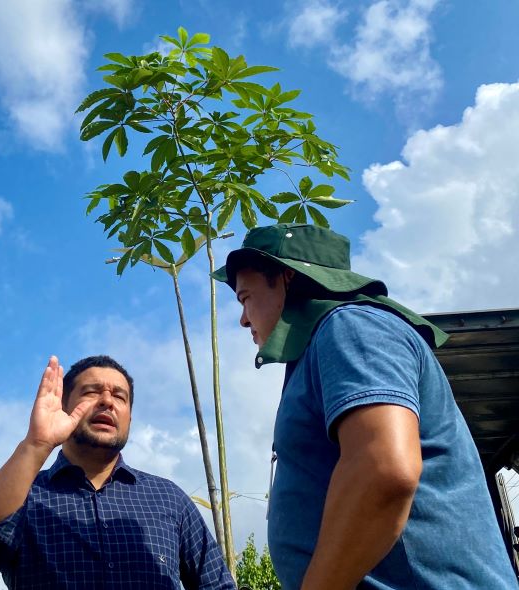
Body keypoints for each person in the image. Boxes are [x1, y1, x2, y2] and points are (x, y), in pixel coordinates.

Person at [212, 223, 519, 590]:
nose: (243, 317)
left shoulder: (350, 326)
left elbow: (383, 468)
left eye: (245, 297)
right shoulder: (324, 344)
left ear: (288, 277)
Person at [0, 355, 234, 590]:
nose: (107, 401)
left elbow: (217, 584)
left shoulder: (168, 498)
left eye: (120, 397)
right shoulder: (24, 494)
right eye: (91, 391)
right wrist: (35, 445)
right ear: (62, 407)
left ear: (129, 418)